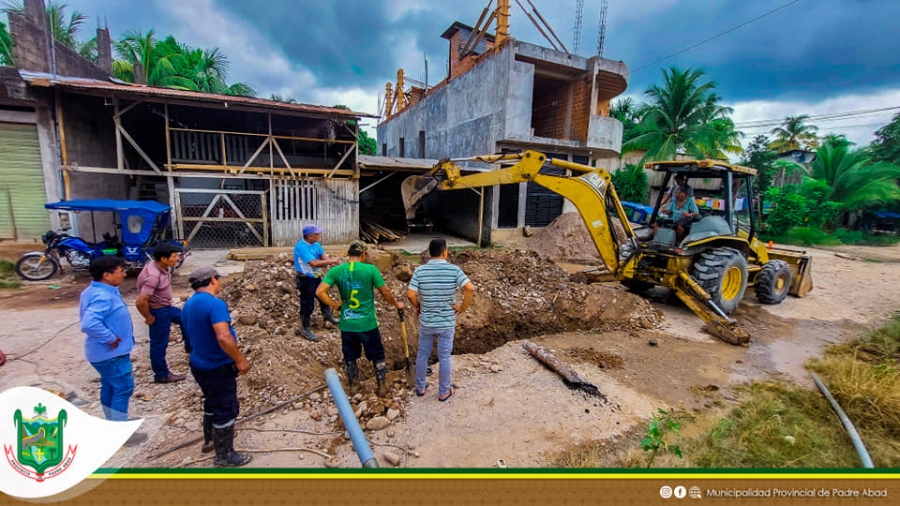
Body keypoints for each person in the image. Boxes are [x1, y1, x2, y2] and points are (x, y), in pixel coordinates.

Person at [181, 266, 253, 467]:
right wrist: (240, 359)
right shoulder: (215, 305)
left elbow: (187, 335)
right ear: (213, 280)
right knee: (225, 407)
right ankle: (225, 456)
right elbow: (223, 336)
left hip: (199, 364)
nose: (220, 282)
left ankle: (210, 440)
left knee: (211, 401)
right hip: (217, 366)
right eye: (219, 279)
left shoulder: (189, 304)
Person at [316, 241, 404, 397]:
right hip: (368, 323)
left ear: (348, 254)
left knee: (350, 355)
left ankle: (354, 385)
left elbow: (320, 292)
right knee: (377, 354)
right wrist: (396, 304)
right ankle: (381, 386)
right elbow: (385, 291)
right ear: (363, 254)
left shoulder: (336, 271)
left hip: (347, 324)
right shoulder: (370, 270)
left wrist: (336, 306)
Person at [79, 256, 146, 445]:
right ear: (106, 275)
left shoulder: (94, 291)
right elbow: (89, 324)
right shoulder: (103, 296)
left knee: (109, 386)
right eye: (121, 271)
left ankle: (113, 423)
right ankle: (120, 432)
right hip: (111, 353)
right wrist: (110, 337)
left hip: (102, 354)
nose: (124, 274)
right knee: (123, 387)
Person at [407, 238, 475, 402]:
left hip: (427, 322)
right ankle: (444, 391)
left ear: (430, 253)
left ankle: (421, 387)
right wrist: (462, 308)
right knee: (444, 356)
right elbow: (470, 288)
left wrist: (418, 307)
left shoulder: (420, 271)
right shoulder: (454, 270)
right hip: (446, 323)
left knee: (423, 354)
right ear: (445, 252)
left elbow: (410, 294)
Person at [136, 243, 186, 384]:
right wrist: (148, 317)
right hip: (158, 310)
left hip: (166, 307)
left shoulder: (164, 267)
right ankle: (162, 375)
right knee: (159, 343)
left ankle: (190, 348)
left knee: (185, 319)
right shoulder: (153, 275)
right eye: (175, 256)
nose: (178, 258)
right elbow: (140, 301)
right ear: (164, 259)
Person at [294, 224, 341, 341]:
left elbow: (323, 256)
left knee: (322, 296)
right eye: (317, 234)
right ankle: (306, 328)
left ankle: (328, 316)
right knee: (307, 302)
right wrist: (331, 261)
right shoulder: (301, 247)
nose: (320, 235)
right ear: (310, 236)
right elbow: (314, 263)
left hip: (316, 276)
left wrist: (332, 262)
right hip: (305, 279)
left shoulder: (316, 244)